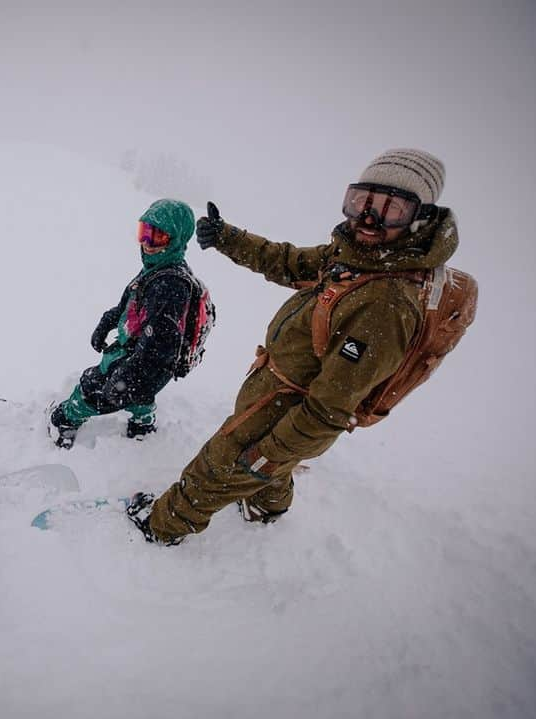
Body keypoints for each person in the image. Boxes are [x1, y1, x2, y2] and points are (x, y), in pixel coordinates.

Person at [128, 149, 457, 543]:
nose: (368, 218)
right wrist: (228, 238)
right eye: (362, 201)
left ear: (418, 218)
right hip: (278, 387)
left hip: (289, 401)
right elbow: (288, 262)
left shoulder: (385, 302)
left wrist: (272, 453)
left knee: (219, 464)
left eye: (391, 209)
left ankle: (163, 524)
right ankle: (267, 505)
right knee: (259, 464)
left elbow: (326, 411)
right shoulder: (357, 256)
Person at [48, 198, 206, 448]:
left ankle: (65, 420)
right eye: (144, 233)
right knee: (138, 393)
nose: (148, 244)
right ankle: (142, 423)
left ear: (176, 240)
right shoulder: (158, 269)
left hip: (140, 358)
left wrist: (130, 375)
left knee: (92, 386)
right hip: (142, 355)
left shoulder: (170, 285)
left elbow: (162, 344)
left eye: (158, 237)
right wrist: (108, 320)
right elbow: (132, 301)